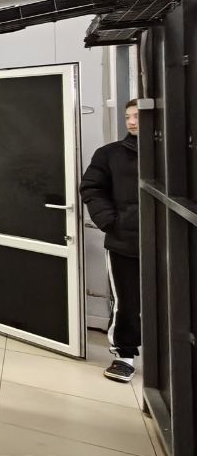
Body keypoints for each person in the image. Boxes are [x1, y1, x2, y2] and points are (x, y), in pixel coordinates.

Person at [80, 99, 140, 383]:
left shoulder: (177, 153)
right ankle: (124, 355)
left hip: (172, 242)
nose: (131, 122)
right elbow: (91, 188)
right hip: (124, 241)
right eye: (128, 116)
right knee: (126, 301)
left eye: (137, 116)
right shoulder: (110, 154)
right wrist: (109, 222)